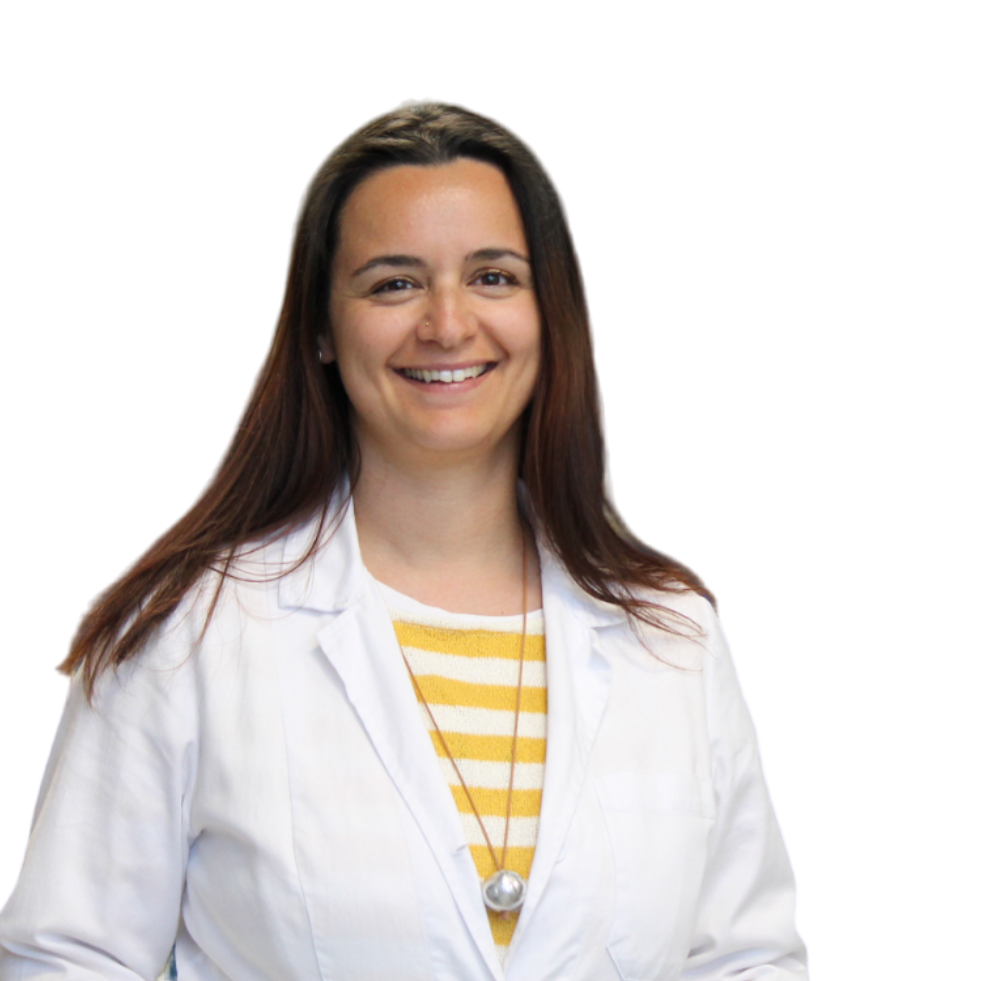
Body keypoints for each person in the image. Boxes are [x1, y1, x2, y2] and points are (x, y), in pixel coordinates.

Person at [0, 103, 808, 980]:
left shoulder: (671, 637)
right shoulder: (188, 634)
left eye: (494, 277)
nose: (449, 324)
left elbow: (745, 960)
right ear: (319, 327)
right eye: (394, 283)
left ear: (552, 313)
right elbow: (66, 960)